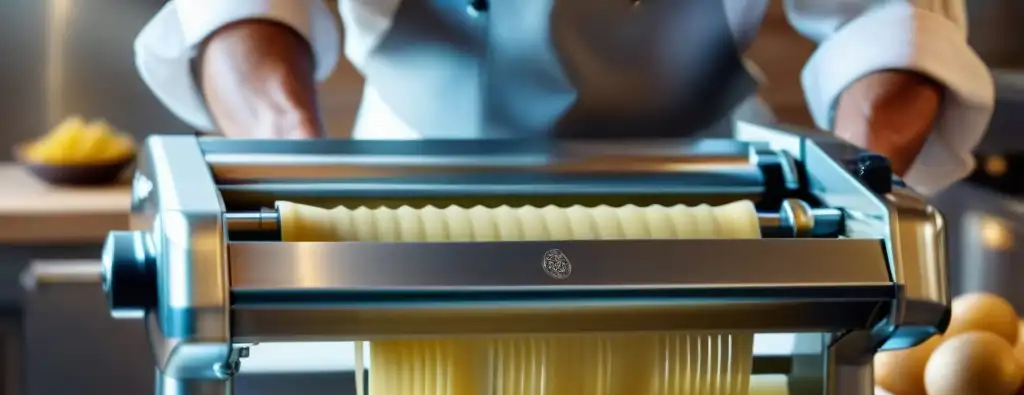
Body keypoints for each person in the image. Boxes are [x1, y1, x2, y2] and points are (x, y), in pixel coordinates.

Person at [135, 0, 994, 196]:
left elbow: (889, 19)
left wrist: (851, 184)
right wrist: (299, 173)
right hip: (409, 204)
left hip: (704, 218)